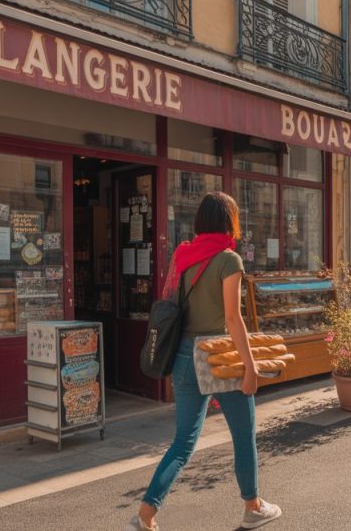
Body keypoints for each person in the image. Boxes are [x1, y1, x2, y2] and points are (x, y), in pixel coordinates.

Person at [130, 192, 281, 531]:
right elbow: (232, 318)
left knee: (183, 443)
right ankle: (253, 507)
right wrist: (251, 367)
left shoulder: (183, 255)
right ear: (230, 222)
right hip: (219, 356)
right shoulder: (229, 260)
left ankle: (145, 516)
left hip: (184, 353)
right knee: (244, 436)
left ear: (199, 222)